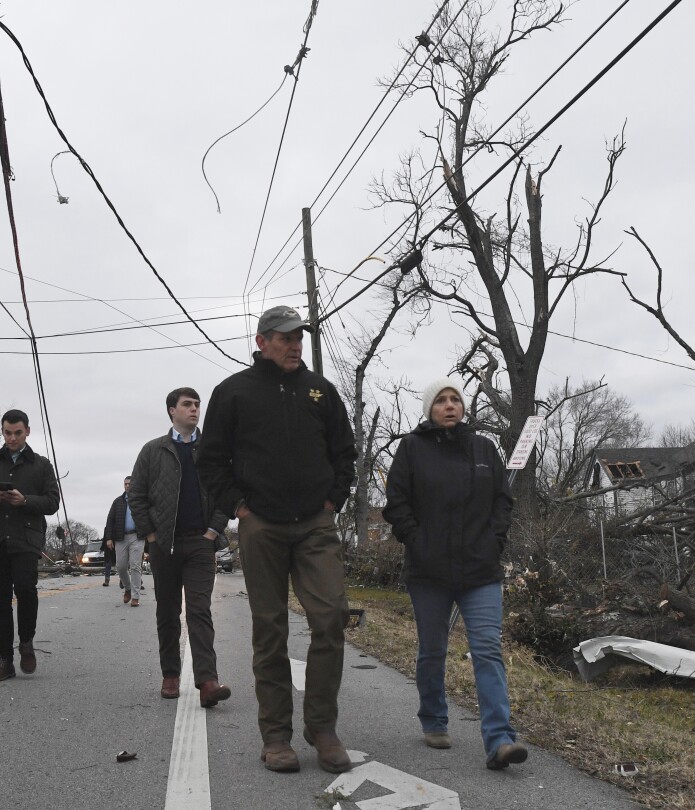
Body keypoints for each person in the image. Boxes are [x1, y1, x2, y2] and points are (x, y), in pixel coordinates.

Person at [199, 306, 357, 774]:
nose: (294, 345)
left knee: (330, 617)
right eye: (286, 338)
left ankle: (322, 728)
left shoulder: (320, 391)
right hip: (261, 524)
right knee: (270, 629)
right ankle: (276, 736)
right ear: (262, 340)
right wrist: (239, 507)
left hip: (314, 523)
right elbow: (211, 461)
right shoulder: (233, 392)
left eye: (299, 338)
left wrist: (333, 501)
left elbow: (344, 452)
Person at [383, 376, 529, 770]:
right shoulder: (411, 448)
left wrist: (494, 541)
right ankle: (433, 719)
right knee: (433, 650)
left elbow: (503, 500)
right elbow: (395, 503)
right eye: (441, 401)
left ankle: (499, 739)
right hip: (429, 572)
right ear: (430, 409)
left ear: (464, 408)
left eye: (455, 400)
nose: (450, 406)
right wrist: (418, 541)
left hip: (480, 569)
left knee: (487, 650)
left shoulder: (484, 448)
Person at [128, 387, 232, 707]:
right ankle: (170, 674)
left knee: (199, 610)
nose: (194, 409)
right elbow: (137, 495)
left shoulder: (212, 450)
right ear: (172, 410)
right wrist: (151, 536)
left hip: (201, 542)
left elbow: (226, 490)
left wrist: (213, 531)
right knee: (168, 611)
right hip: (164, 546)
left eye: (197, 405)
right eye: (187, 404)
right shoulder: (152, 450)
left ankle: (207, 682)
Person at [0, 409, 61, 682]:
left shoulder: (42, 465)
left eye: (18, 433)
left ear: (27, 431)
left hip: (26, 539)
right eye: (8, 433)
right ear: (2, 431)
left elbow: (53, 503)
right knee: (0, 603)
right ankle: (5, 660)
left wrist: (26, 501)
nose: (12, 438)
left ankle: (27, 643)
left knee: (25, 590)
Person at [104, 476, 144, 606]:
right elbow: (110, 520)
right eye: (125, 484)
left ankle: (135, 596)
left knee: (135, 566)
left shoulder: (141, 500)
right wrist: (109, 538)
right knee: (121, 566)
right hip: (121, 538)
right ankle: (127, 588)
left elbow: (148, 517)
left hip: (137, 537)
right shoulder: (118, 502)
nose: (127, 486)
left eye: (130, 484)